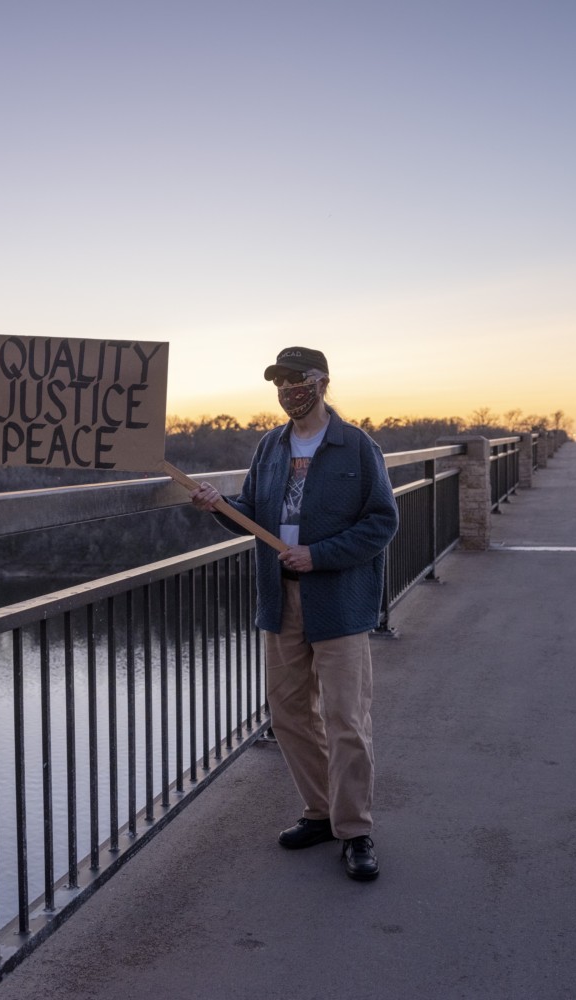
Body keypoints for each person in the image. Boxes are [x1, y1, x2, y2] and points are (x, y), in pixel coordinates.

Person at [190, 346, 398, 881]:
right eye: (278, 382)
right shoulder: (271, 446)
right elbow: (254, 514)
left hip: (338, 601)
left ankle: (355, 830)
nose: (287, 390)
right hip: (280, 598)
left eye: (296, 379)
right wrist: (219, 506)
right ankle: (322, 812)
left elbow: (382, 522)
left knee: (346, 719)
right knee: (288, 714)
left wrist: (319, 555)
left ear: (322, 382)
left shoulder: (357, 446)